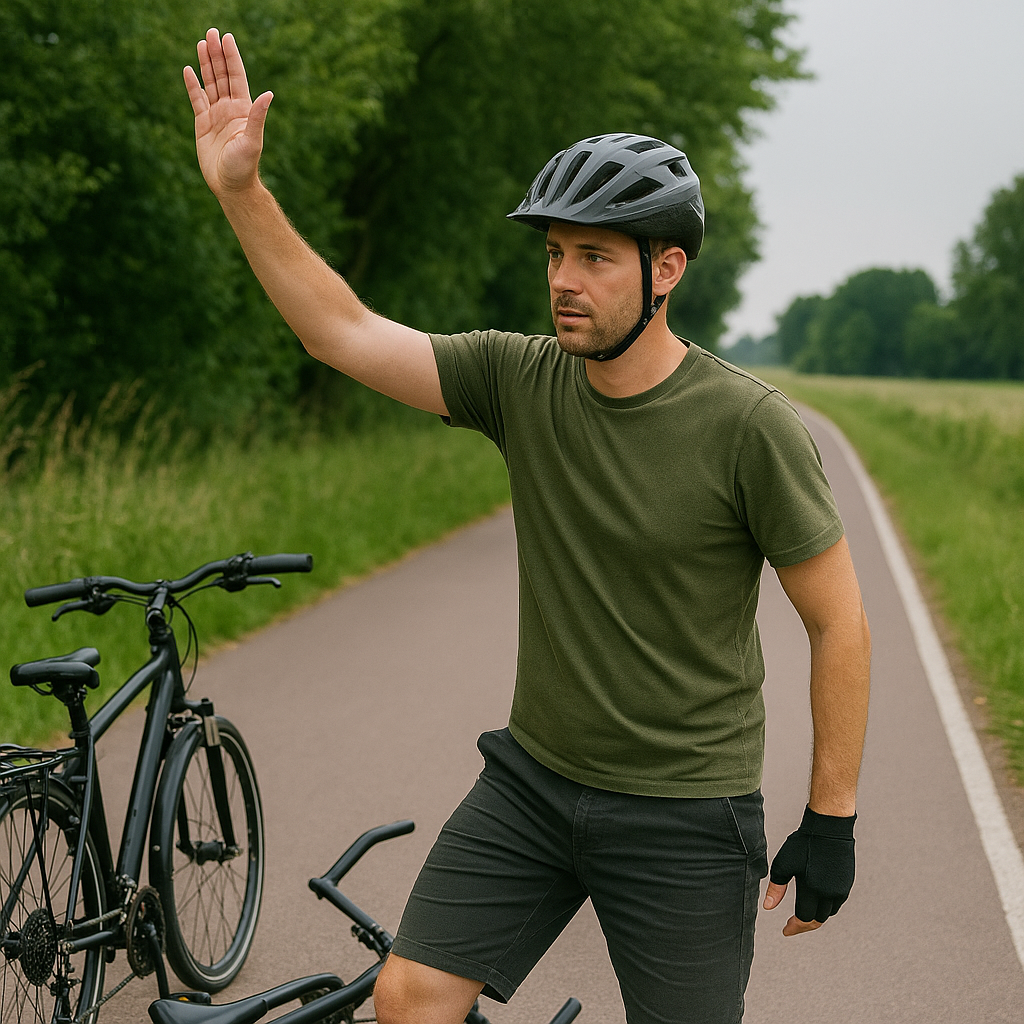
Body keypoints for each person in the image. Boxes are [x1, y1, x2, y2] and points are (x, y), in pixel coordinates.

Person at [184, 29, 871, 1024]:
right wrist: (241, 190)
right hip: (534, 786)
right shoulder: (521, 377)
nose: (563, 279)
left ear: (666, 268)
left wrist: (832, 816)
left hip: (685, 809)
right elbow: (339, 331)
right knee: (409, 996)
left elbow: (837, 621)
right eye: (555, 254)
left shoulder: (748, 426)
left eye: (594, 256)